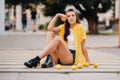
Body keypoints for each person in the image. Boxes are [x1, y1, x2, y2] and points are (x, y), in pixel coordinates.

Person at [24, 9, 90, 68]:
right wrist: (57, 15)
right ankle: (49, 59)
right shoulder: (63, 27)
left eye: (73, 15)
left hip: (70, 58)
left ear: (76, 17)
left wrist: (88, 61)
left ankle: (36, 59)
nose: (71, 17)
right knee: (50, 33)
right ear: (66, 18)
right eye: (68, 16)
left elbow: (83, 47)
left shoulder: (80, 27)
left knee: (58, 38)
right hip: (59, 56)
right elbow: (49, 28)